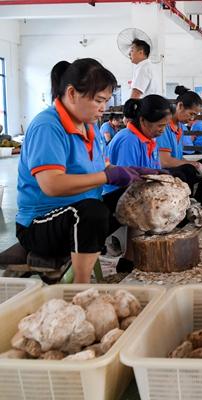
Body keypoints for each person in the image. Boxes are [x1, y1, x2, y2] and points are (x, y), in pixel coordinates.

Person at [15, 59, 149, 283]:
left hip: (81, 213)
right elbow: (51, 184)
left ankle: (132, 260)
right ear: (72, 93)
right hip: (41, 224)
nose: (103, 108)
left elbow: (104, 167)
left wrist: (135, 173)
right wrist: (107, 176)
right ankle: (81, 286)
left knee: (136, 195)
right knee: (92, 212)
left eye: (106, 101)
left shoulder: (90, 126)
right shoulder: (47, 126)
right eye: (98, 100)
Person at [155, 85, 202, 206]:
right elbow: (164, 161)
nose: (192, 118)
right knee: (189, 169)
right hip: (163, 171)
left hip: (174, 166)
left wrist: (198, 165)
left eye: (194, 115)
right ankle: (186, 206)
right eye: (191, 114)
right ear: (180, 106)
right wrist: (195, 164)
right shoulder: (164, 126)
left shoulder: (180, 127)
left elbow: (179, 157)